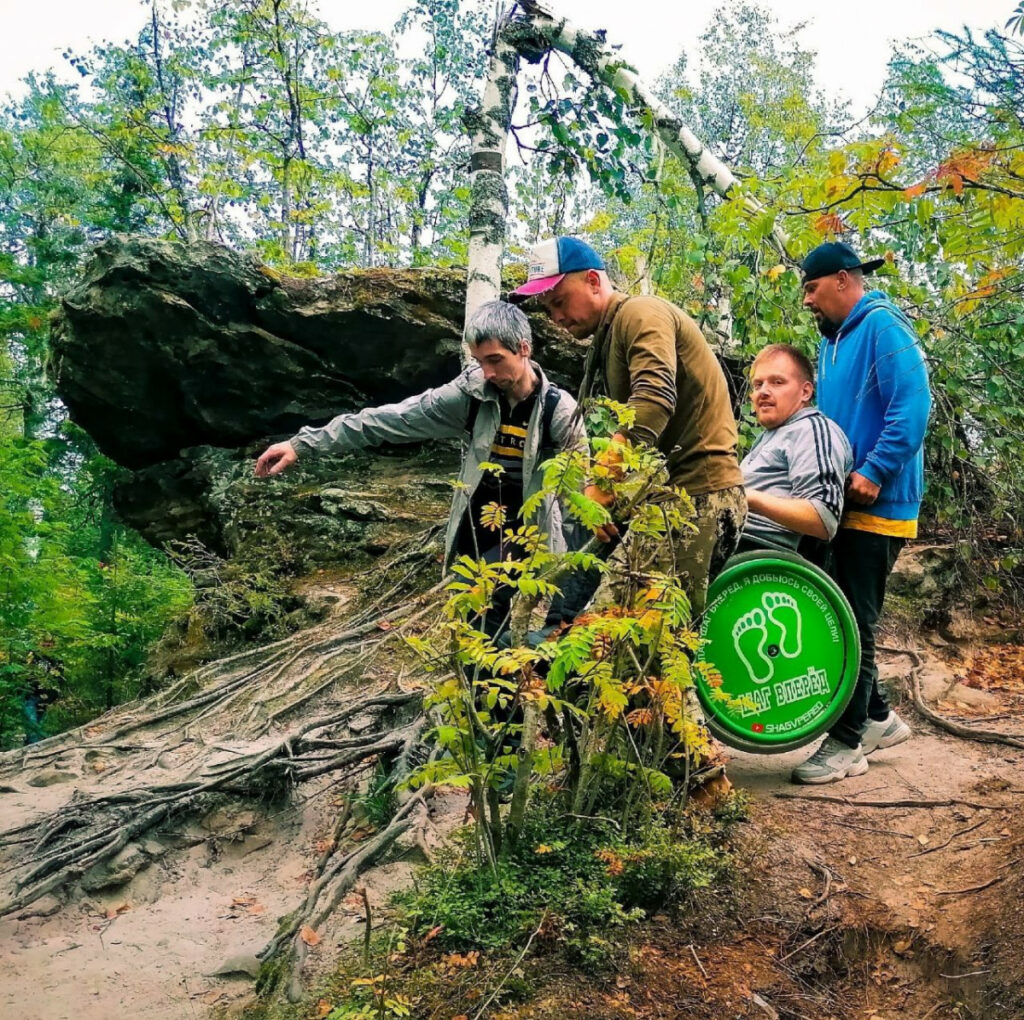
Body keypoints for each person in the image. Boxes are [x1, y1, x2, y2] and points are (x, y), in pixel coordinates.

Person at [254, 300, 584, 638]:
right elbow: (389, 420)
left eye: (495, 360)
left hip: (527, 521)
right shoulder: (470, 394)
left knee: (481, 596)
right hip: (478, 515)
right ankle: (488, 682)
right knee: (470, 619)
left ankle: (507, 677)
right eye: (480, 361)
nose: (487, 373)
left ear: (524, 349)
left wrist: (566, 589)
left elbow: (583, 500)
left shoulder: (558, 411)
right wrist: (302, 444)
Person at [512, 236, 747, 616]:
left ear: (592, 281)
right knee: (606, 623)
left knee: (627, 636)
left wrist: (605, 479)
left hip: (700, 497)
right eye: (547, 308)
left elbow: (654, 401)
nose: (555, 317)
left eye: (558, 301)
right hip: (672, 497)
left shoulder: (641, 313)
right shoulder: (613, 331)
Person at [791, 242, 931, 784]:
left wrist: (874, 469)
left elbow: (913, 404)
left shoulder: (882, 325)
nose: (807, 300)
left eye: (812, 287)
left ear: (845, 280)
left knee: (852, 623)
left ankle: (847, 743)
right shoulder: (835, 341)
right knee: (843, 610)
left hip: (878, 502)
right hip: (841, 503)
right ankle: (876, 717)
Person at [736, 343, 852, 556]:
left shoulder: (812, 429)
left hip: (757, 550)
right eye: (757, 385)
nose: (763, 392)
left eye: (777, 382)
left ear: (805, 391)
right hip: (732, 539)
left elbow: (823, 519)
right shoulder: (770, 435)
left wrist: (748, 497)